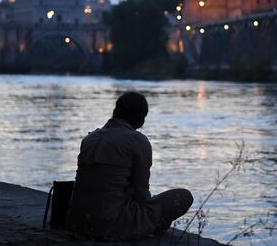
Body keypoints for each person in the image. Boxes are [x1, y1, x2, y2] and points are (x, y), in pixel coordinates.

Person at [65, 92, 193, 241]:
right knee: (183, 196)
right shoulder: (137, 141)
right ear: (140, 118)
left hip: (76, 224)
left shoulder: (89, 138)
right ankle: (148, 230)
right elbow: (141, 193)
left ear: (115, 111)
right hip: (112, 227)